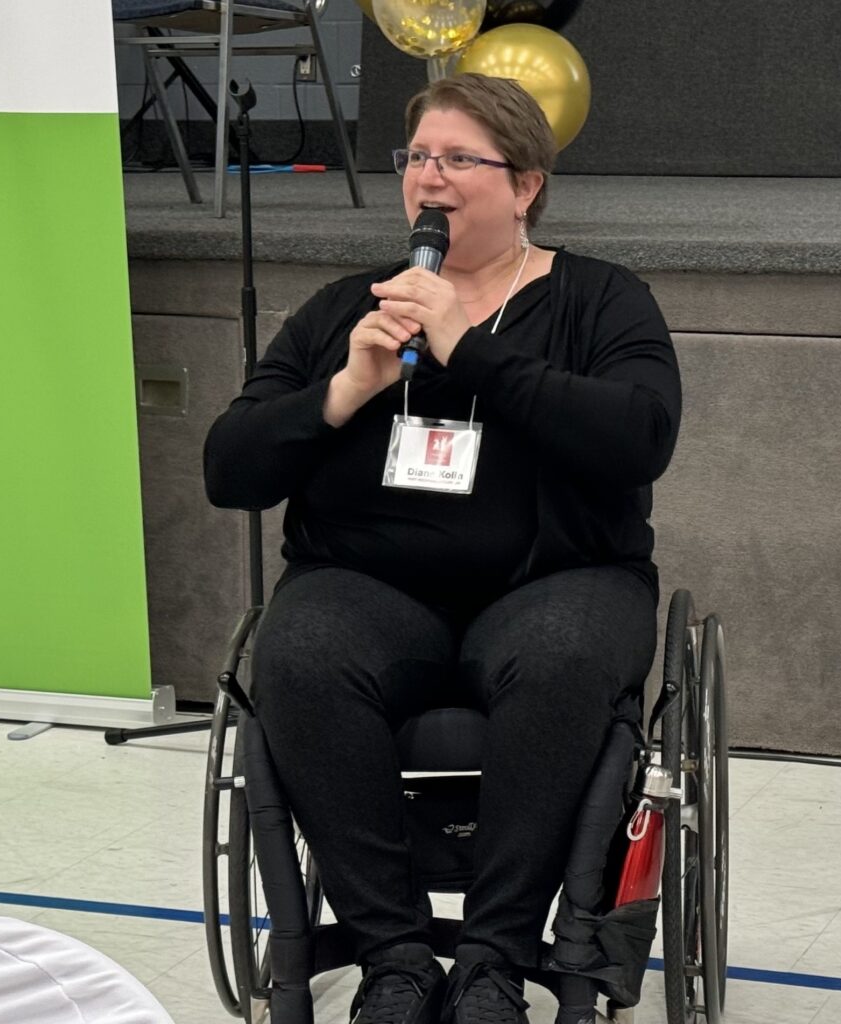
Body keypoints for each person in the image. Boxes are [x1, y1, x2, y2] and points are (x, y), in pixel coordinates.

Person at [204, 73, 681, 1024]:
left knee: (561, 659)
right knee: (298, 652)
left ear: (526, 185)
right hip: (373, 585)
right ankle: (396, 956)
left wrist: (473, 347)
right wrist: (342, 390)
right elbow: (230, 469)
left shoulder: (600, 300)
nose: (433, 177)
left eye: (462, 159)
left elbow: (639, 436)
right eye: (419, 157)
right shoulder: (350, 307)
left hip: (560, 581)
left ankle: (496, 960)